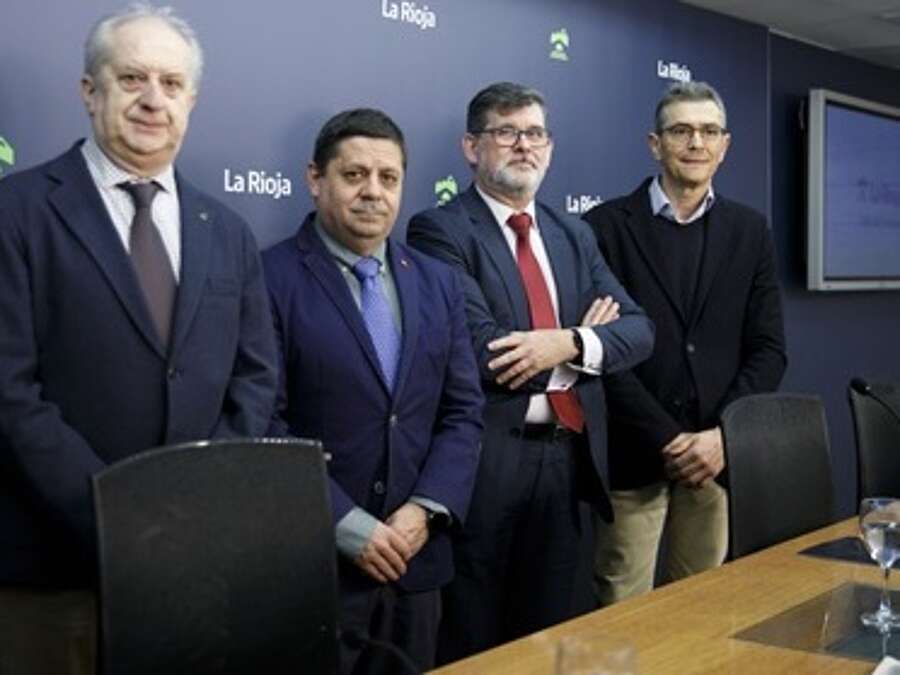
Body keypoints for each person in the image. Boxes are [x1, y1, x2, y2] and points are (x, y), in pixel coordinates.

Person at [0, 5, 278, 674]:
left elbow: (256, 378)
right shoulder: (16, 210)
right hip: (54, 572)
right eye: (132, 78)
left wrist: (200, 508)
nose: (155, 99)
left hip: (193, 572)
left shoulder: (228, 230)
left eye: (172, 83)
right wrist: (117, 516)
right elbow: (10, 390)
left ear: (192, 99)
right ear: (89, 91)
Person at [407, 81, 654, 662]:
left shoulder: (572, 232)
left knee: (556, 644)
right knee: (477, 642)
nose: (525, 145)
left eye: (536, 133)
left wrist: (565, 341)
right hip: (489, 464)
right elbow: (484, 350)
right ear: (472, 148)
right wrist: (589, 344)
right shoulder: (440, 230)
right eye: (507, 132)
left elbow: (639, 331)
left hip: (569, 462)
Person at [263, 108, 483, 675]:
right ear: (316, 180)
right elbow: (264, 423)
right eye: (354, 175)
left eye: (388, 178)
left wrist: (425, 511)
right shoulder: (267, 278)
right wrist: (348, 525)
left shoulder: (439, 282)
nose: (373, 192)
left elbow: (462, 414)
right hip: (315, 569)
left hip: (417, 564)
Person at [583, 81, 787, 606]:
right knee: (619, 613)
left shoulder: (750, 230)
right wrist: (667, 439)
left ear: (725, 145)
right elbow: (599, 352)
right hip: (633, 458)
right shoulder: (603, 228)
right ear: (655, 144)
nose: (696, 142)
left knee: (700, 609)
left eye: (708, 131)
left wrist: (722, 436)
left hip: (716, 462)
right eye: (681, 130)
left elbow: (768, 349)